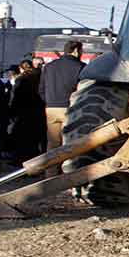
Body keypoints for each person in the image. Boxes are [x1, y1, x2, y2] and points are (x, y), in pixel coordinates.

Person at [38, 41, 84, 176]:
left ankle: (50, 174)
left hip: (51, 108)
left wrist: (48, 102)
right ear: (76, 51)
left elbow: (41, 89)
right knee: (71, 143)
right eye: (81, 51)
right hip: (71, 109)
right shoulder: (81, 67)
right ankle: (69, 175)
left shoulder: (49, 66)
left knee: (53, 143)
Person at [10, 59, 46, 163]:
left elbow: (15, 97)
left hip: (23, 111)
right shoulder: (39, 77)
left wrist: (12, 111)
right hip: (38, 110)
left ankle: (21, 161)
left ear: (21, 68)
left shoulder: (21, 79)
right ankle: (35, 160)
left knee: (23, 139)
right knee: (35, 139)